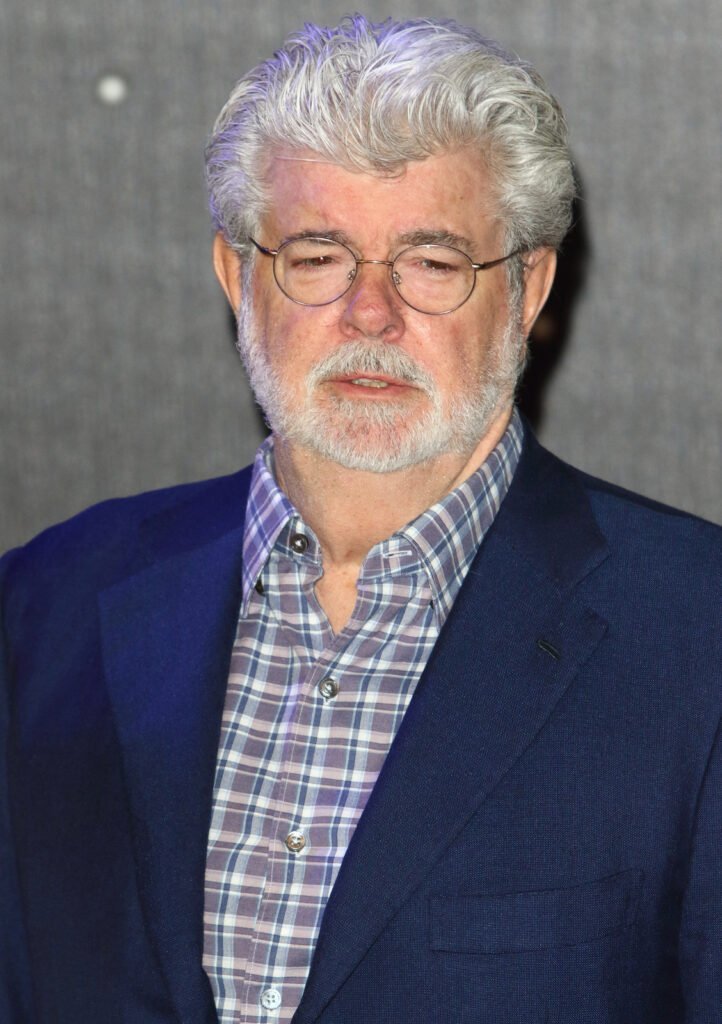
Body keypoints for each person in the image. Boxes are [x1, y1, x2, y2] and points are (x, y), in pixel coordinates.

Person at [1, 14, 721, 1024]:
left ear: (527, 286)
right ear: (237, 276)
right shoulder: (41, 610)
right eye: (317, 255)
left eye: (429, 261)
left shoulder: (697, 638)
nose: (369, 314)